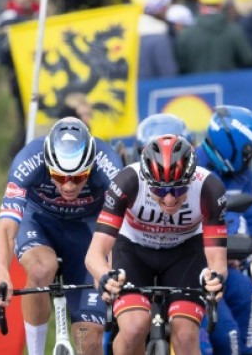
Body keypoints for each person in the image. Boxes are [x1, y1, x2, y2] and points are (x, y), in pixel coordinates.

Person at [0, 117, 123, 355]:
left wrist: (107, 270)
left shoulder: (109, 164)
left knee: (89, 341)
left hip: (88, 230)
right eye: (59, 177)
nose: (69, 186)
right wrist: (0, 275)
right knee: (41, 270)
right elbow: (6, 229)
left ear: (91, 166)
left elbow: (120, 230)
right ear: (48, 165)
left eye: (78, 177)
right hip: (39, 222)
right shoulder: (29, 160)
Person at [86, 134, 228, 355]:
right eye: (160, 190)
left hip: (185, 252)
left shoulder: (209, 188)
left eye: (179, 189)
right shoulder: (127, 182)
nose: (169, 199)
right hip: (133, 249)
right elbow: (95, 253)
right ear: (146, 179)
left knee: (186, 335)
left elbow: (217, 260)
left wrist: (216, 279)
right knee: (133, 328)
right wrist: (104, 276)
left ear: (191, 178)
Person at [195, 105, 252, 355]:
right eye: (248, 155)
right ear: (231, 148)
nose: (249, 162)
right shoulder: (190, 170)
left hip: (227, 267)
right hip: (192, 269)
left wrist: (240, 257)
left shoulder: (241, 175)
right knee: (229, 336)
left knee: (246, 291)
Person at [175, 0, 252, 74]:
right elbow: (248, 59)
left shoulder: (186, 34)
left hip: (198, 82)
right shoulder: (234, 30)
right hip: (228, 82)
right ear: (222, 4)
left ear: (199, 4)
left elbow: (181, 65)